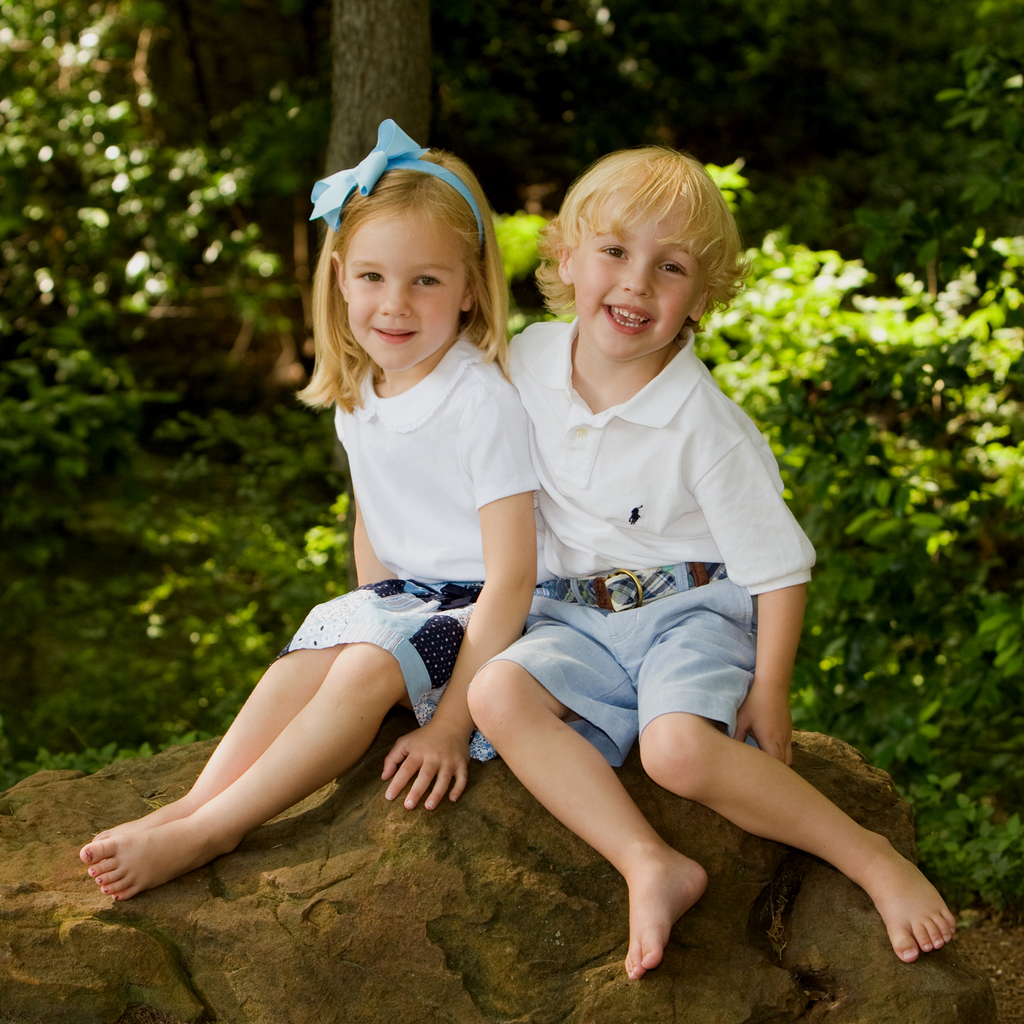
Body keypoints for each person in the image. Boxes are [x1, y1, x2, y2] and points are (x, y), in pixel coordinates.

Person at [467, 145, 956, 980]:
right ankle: (648, 862)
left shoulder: (705, 422)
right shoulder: (528, 360)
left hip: (687, 613)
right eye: (614, 251)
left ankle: (867, 854)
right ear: (566, 258)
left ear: (702, 296)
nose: (636, 283)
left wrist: (770, 687)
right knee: (495, 694)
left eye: (671, 267)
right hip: (572, 615)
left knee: (678, 753)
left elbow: (778, 568)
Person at [80, 120, 539, 900]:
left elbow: (515, 576)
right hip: (409, 601)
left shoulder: (478, 402)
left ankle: (218, 829)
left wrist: (447, 722)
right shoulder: (360, 390)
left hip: (488, 616)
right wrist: (367, 615)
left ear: (470, 288)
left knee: (362, 664)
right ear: (339, 276)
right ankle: (194, 803)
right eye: (372, 277)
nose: (394, 304)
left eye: (426, 281)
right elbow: (375, 521)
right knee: (312, 655)